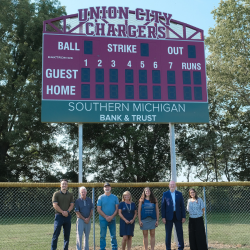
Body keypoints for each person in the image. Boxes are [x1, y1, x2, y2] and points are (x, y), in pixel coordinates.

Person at [161, 180, 186, 250]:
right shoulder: (165, 194)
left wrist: (183, 216)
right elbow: (163, 207)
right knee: (168, 234)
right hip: (168, 217)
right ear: (169, 186)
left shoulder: (179, 194)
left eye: (173, 185)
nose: (172, 186)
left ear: (175, 186)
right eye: (171, 185)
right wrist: (163, 217)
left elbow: (182, 206)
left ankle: (181, 247)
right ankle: (168, 248)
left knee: (180, 233)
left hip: (178, 216)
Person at [51, 179, 74, 250]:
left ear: (67, 185)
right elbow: (55, 205)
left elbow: (72, 205)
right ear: (60, 185)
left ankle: (65, 248)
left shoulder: (70, 194)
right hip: (59, 216)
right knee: (56, 234)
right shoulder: (56, 194)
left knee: (67, 235)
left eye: (65, 184)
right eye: (63, 184)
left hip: (67, 216)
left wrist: (67, 211)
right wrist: (62, 212)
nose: (64, 185)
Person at [97, 182, 119, 250]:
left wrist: (111, 217)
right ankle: (102, 248)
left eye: (108, 187)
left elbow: (117, 209)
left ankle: (114, 248)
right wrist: (106, 217)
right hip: (103, 219)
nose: (107, 188)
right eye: (105, 187)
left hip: (112, 219)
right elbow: (98, 209)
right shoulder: (100, 197)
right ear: (103, 188)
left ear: (110, 188)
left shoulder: (115, 197)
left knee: (113, 236)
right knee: (102, 236)